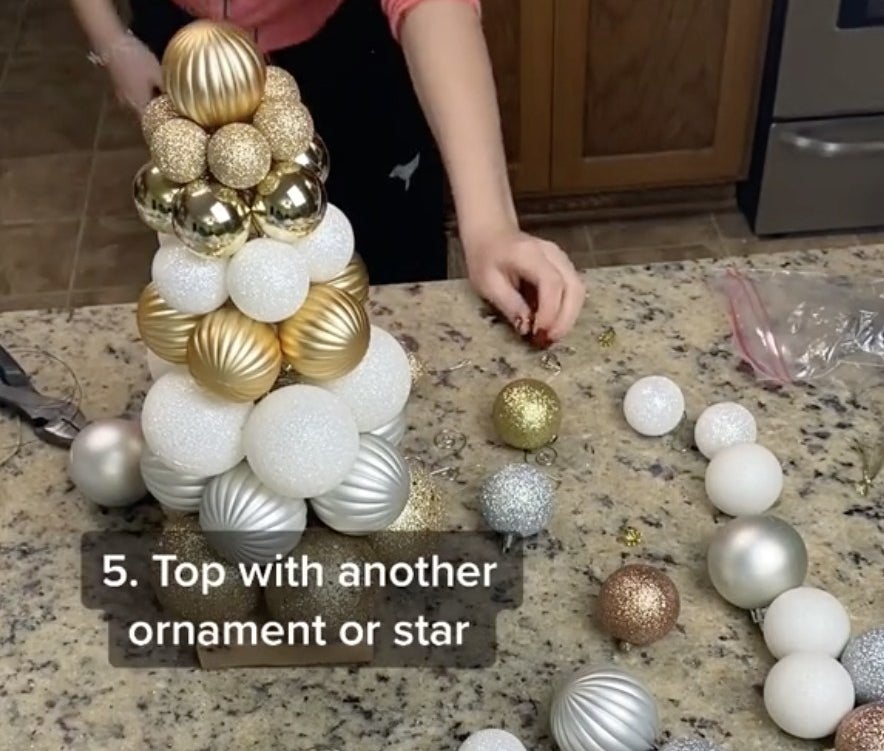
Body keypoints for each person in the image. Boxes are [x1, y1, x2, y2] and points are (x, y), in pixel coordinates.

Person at [71, 0, 586, 342]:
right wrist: (111, 40)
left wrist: (492, 225)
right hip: (186, 44)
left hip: (353, 45)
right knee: (224, 300)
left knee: (394, 275)